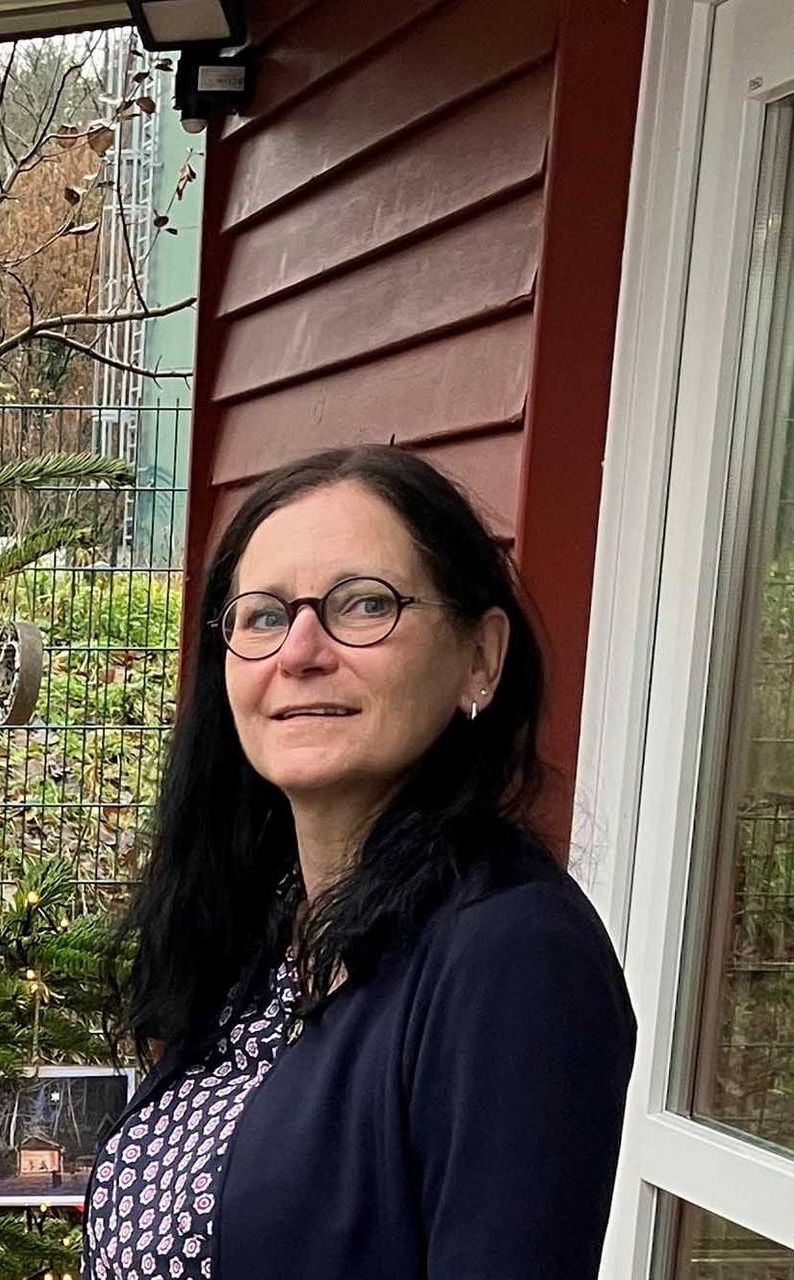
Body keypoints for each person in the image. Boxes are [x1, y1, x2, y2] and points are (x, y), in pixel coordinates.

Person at [87, 446, 634, 1280]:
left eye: (364, 604)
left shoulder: (512, 955)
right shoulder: (272, 930)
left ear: (480, 656)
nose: (300, 650)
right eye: (264, 615)